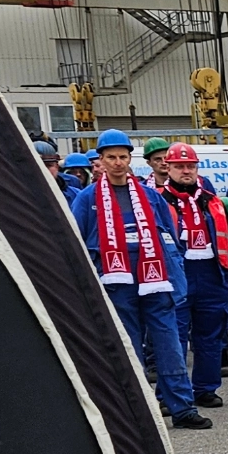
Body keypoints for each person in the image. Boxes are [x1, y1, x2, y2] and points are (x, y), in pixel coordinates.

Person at [71, 129, 209, 430]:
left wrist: (175, 278)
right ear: (101, 161)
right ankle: (136, 411)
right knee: (128, 347)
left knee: (170, 344)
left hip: (156, 279)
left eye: (122, 157)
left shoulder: (149, 197)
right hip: (116, 283)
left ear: (130, 159)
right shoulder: (86, 199)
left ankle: (182, 407)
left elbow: (170, 236)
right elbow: (75, 243)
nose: (118, 163)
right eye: (111, 158)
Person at [158, 144, 228, 410]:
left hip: (211, 273)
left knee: (211, 336)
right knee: (172, 336)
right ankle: (171, 395)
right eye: (179, 166)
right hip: (177, 274)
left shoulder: (213, 201)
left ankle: (205, 388)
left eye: (190, 166)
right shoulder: (157, 200)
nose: (186, 171)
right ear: (167, 168)